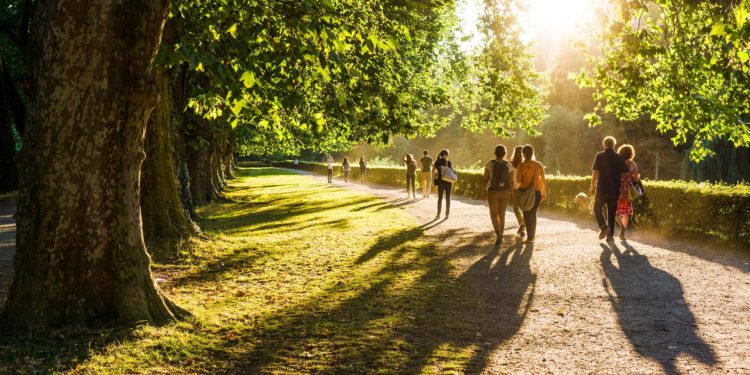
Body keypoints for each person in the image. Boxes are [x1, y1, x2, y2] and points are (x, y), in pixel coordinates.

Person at [590, 136, 629, 242]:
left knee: (597, 209)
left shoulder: (599, 156)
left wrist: (592, 185)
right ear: (614, 145)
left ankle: (603, 226)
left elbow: (596, 172)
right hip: (614, 189)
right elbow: (625, 174)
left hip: (602, 189)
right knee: (611, 213)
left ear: (604, 144)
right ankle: (610, 237)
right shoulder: (619, 157)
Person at [482, 145, 513, 245]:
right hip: (505, 192)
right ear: (505, 154)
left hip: (493, 191)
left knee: (494, 214)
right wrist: (511, 193)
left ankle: (498, 234)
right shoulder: (508, 165)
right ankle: (501, 233)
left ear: (495, 153)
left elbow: (485, 180)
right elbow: (511, 181)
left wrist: (484, 192)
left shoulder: (489, 164)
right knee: (502, 214)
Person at [515, 145, 546, 243]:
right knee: (533, 213)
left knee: (526, 213)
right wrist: (544, 193)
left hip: (524, 192)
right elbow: (543, 181)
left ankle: (530, 237)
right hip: (537, 192)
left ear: (523, 154)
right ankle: (531, 236)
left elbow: (518, 180)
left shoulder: (521, 165)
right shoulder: (538, 165)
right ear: (532, 153)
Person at [615, 144, 640, 240]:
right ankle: (623, 232)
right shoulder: (632, 164)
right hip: (627, 189)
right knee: (626, 212)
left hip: (616, 188)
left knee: (613, 210)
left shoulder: (616, 162)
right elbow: (636, 179)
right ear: (631, 153)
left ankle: (621, 227)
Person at [510, 146, 525, 237]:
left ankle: (521, 225)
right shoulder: (525, 164)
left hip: (515, 189)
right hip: (524, 188)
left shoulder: (511, 164)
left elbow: (511, 180)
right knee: (524, 209)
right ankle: (522, 226)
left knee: (516, 208)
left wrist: (511, 191)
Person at [434, 149, 454, 219]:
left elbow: (433, 171)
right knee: (448, 198)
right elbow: (452, 171)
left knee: (440, 198)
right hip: (449, 182)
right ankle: (447, 214)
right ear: (446, 155)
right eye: (447, 155)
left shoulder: (437, 162)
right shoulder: (449, 162)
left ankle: (438, 214)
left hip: (441, 182)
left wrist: (438, 172)